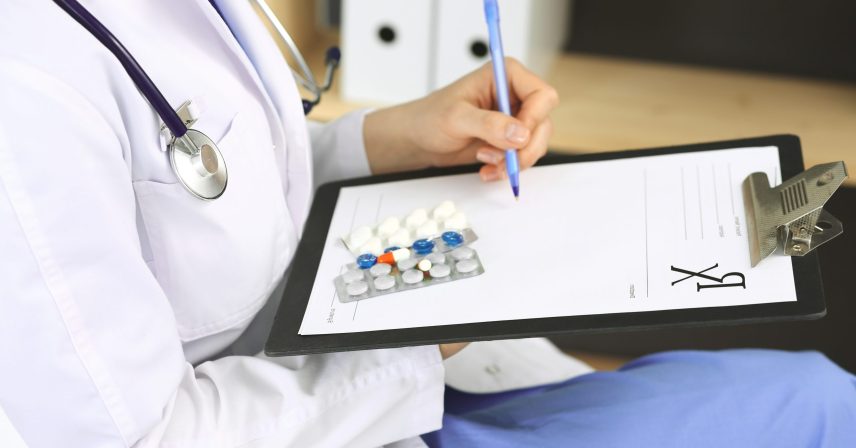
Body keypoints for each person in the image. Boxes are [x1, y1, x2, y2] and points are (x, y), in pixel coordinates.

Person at [2, 2, 854, 447]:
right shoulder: (23, 90)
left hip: (373, 385)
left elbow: (188, 182)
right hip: (326, 418)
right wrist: (415, 341)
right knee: (821, 409)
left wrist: (379, 140)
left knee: (816, 394)